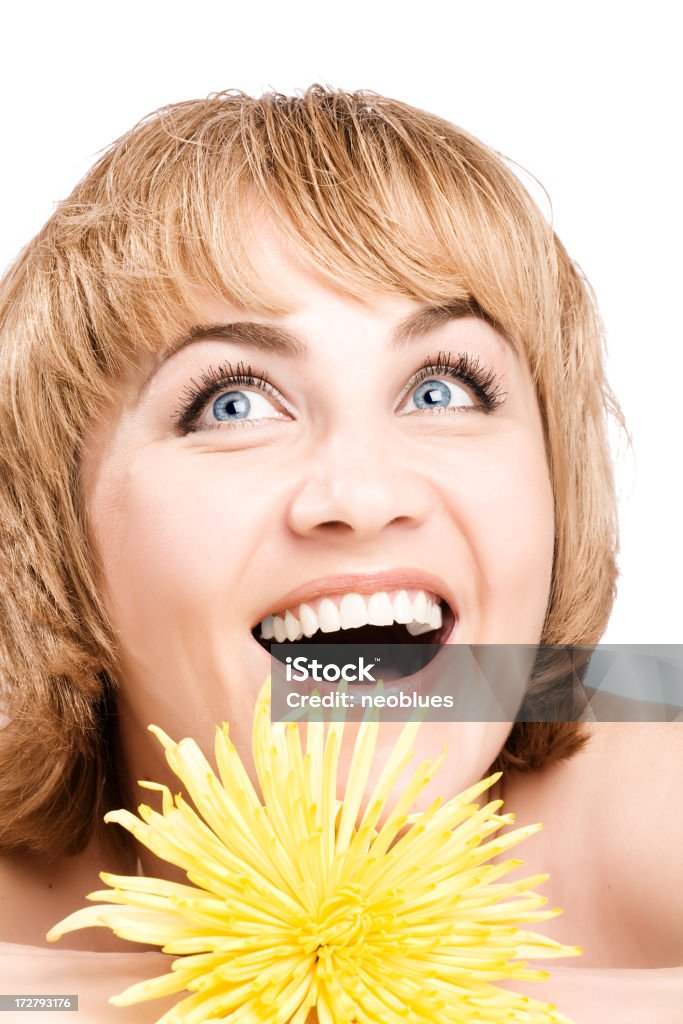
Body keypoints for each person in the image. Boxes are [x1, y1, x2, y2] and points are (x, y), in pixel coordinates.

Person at [0, 87, 680, 1022]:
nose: (363, 498)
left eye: (442, 389)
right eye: (232, 404)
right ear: (55, 524)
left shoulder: (635, 729)